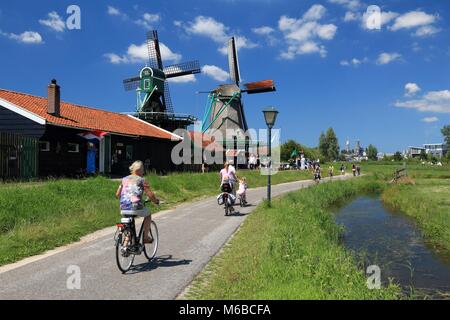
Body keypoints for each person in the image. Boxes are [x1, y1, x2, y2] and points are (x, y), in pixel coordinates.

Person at [116, 161, 160, 244]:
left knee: (129, 222)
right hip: (135, 207)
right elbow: (150, 195)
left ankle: (125, 245)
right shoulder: (142, 180)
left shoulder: (124, 179)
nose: (143, 172)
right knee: (148, 214)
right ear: (139, 170)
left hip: (123, 207)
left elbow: (117, 194)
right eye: (143, 170)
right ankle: (146, 237)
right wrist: (156, 201)